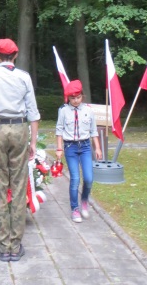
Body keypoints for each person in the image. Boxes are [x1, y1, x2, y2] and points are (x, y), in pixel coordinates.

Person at [0, 38, 40, 262]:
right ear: (15, 55)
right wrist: (33, 143)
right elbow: (33, 112)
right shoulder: (24, 77)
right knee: (19, 186)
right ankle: (16, 244)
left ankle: (4, 247)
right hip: (20, 128)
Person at [55, 79, 102, 223]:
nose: (75, 101)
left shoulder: (88, 110)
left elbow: (93, 130)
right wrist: (59, 148)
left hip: (86, 147)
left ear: (82, 96)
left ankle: (84, 201)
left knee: (88, 178)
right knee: (75, 179)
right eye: (72, 98)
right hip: (71, 147)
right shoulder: (63, 111)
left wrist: (98, 147)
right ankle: (75, 209)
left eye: (78, 97)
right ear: (68, 98)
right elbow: (59, 130)